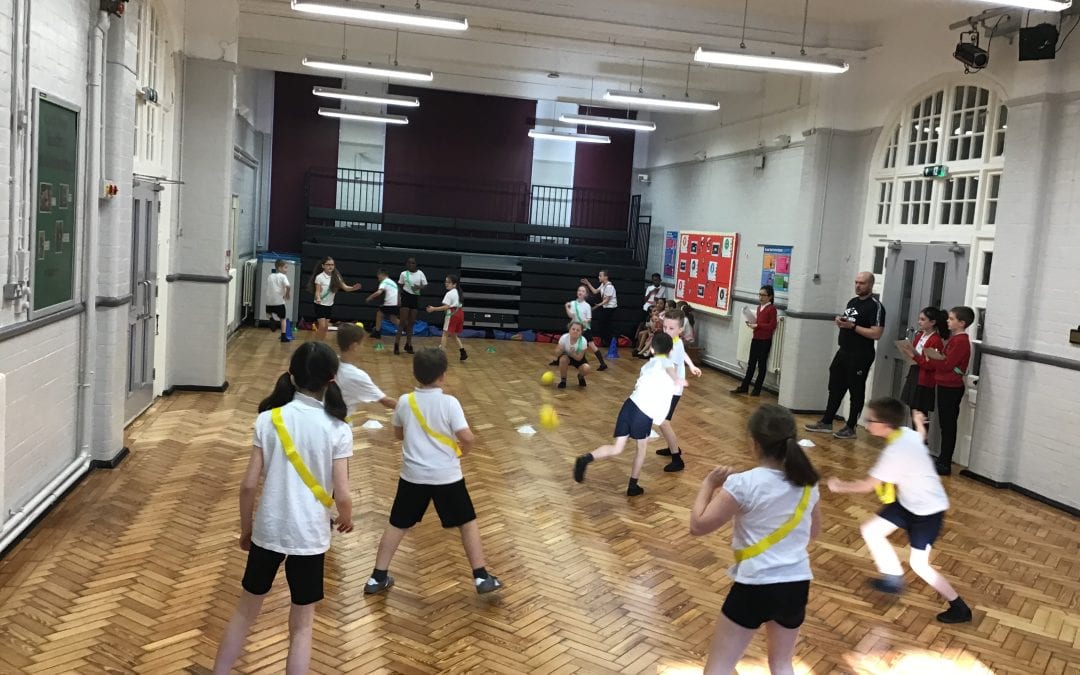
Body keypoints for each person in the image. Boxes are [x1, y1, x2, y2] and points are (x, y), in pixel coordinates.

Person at [212, 342, 354, 674]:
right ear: (331, 379)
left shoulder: (269, 419)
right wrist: (345, 518)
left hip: (268, 530)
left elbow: (248, 485)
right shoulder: (338, 428)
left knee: (245, 612)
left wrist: (248, 529)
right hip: (310, 536)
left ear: (291, 375)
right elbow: (343, 494)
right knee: (302, 625)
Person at [689, 404, 822, 675]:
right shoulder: (808, 482)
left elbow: (698, 526)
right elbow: (813, 533)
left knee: (719, 667)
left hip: (755, 584)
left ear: (754, 443)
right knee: (782, 664)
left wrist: (708, 484)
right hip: (796, 583)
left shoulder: (743, 483)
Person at [364, 348, 503, 595]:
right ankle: (481, 576)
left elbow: (398, 434)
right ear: (443, 375)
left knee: (397, 524)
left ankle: (377, 577)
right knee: (467, 523)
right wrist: (461, 453)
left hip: (412, 476)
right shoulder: (450, 403)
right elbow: (467, 438)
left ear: (415, 374)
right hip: (446, 477)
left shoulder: (405, 401)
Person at [827, 398, 972, 623]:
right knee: (871, 530)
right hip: (907, 502)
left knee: (919, 565)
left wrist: (839, 486)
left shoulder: (895, 452)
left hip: (928, 511)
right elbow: (920, 437)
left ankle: (960, 607)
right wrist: (919, 423)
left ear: (885, 424)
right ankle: (893, 577)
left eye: (870, 419)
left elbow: (868, 485)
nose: (867, 422)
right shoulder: (904, 433)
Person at [573, 332, 686, 497]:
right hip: (643, 413)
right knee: (641, 450)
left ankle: (586, 458)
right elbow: (668, 370)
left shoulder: (646, 366)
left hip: (629, 405)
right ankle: (633, 486)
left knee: (617, 448)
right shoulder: (668, 364)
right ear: (670, 352)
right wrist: (677, 379)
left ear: (652, 350)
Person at [804, 272, 886, 439]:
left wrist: (852, 327)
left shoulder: (875, 306)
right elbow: (848, 322)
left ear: (870, 285)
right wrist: (841, 322)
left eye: (862, 283)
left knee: (855, 390)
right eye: (856, 282)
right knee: (835, 386)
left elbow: (876, 333)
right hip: (844, 351)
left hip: (861, 354)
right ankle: (827, 421)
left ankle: (850, 427)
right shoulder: (852, 302)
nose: (857, 286)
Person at [922, 306, 974, 476]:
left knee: (948, 425)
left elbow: (947, 364)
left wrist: (932, 358)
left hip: (951, 386)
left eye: (951, 319)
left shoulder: (961, 341)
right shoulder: (954, 340)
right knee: (945, 423)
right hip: (945, 384)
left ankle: (944, 462)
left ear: (962, 323)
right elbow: (945, 360)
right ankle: (942, 460)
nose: (948, 321)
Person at [652, 309, 702, 473]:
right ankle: (671, 447)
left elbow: (671, 368)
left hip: (671, 390)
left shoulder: (675, 345)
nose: (667, 331)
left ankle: (677, 458)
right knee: (662, 421)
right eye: (665, 327)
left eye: (671, 328)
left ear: (680, 330)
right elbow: (684, 354)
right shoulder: (675, 342)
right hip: (670, 388)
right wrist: (692, 365)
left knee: (664, 422)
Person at [898, 307, 948, 431]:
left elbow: (931, 365)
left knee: (920, 415)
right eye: (919, 319)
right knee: (913, 411)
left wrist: (914, 356)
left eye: (923, 319)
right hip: (915, 373)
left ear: (932, 322)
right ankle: (915, 442)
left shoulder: (935, 340)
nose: (919, 322)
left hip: (924, 379)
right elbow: (915, 353)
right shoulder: (920, 335)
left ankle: (921, 443)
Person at [335, 323, 397, 413]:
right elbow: (385, 401)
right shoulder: (357, 375)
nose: (363, 347)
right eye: (362, 344)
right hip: (339, 422)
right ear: (355, 346)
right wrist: (409, 407)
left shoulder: (330, 363)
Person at [732, 285, 778, 396]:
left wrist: (757, 325)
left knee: (761, 365)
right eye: (760, 294)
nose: (761, 297)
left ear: (770, 296)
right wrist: (752, 323)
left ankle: (757, 389)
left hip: (765, 340)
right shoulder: (759, 307)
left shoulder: (772, 309)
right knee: (751, 364)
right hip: (756, 338)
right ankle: (744, 386)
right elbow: (760, 323)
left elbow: (772, 325)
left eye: (763, 295)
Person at [311, 257, 361, 342]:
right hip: (320, 304)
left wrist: (353, 288)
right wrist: (318, 298)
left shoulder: (336, 276)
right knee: (322, 326)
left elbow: (345, 287)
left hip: (329, 305)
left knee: (326, 327)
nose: (331, 267)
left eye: (332, 265)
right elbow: (317, 291)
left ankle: (321, 343)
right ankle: (316, 344)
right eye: (328, 265)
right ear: (323, 266)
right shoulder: (319, 277)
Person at [561, 285, 607, 370]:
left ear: (586, 294)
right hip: (575, 330)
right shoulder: (573, 303)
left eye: (583, 291)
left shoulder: (587, 306)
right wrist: (567, 308)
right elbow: (571, 315)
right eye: (579, 290)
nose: (580, 292)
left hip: (585, 330)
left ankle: (603, 364)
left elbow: (589, 319)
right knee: (567, 344)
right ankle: (562, 360)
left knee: (592, 346)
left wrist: (585, 322)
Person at [426, 275, 467, 362]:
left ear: (454, 284)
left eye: (448, 282)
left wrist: (433, 309)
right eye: (446, 282)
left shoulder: (449, 293)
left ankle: (441, 355)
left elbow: (446, 307)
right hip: (460, 313)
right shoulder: (458, 292)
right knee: (454, 335)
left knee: (445, 334)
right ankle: (462, 351)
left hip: (452, 314)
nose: (446, 284)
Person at [366, 268, 403, 354]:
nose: (378, 278)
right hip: (396, 304)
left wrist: (369, 298)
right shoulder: (392, 282)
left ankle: (377, 332)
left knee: (379, 314)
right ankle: (404, 327)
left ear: (382, 275)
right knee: (393, 318)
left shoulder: (385, 282)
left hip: (390, 303)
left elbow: (379, 292)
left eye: (378, 276)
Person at [581, 270, 618, 353]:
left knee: (604, 324)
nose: (599, 277)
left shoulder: (609, 287)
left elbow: (607, 300)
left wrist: (597, 306)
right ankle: (607, 341)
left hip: (610, 308)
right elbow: (595, 291)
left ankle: (610, 341)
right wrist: (588, 283)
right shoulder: (603, 285)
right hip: (605, 307)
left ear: (606, 277)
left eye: (600, 275)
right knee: (603, 324)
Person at [397, 257, 427, 354]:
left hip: (415, 298)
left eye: (413, 263)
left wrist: (420, 287)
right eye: (409, 263)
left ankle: (408, 345)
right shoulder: (403, 274)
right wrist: (399, 298)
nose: (411, 265)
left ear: (416, 264)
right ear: (406, 265)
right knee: (402, 322)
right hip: (406, 297)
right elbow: (400, 287)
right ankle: (396, 345)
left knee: (411, 323)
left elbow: (425, 285)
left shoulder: (420, 273)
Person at [551, 320, 593, 388]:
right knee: (563, 359)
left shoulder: (583, 341)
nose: (575, 331)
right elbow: (556, 353)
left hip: (577, 358)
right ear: (569, 330)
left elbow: (579, 358)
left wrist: (572, 353)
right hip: (567, 356)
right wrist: (560, 350)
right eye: (573, 329)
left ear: (581, 332)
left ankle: (580, 376)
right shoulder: (564, 338)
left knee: (586, 368)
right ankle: (563, 380)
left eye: (578, 330)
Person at [265, 259, 292, 342]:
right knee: (283, 319)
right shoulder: (283, 276)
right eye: (285, 267)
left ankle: (271, 320)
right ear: (279, 268)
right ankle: (283, 336)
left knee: (268, 313)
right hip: (279, 302)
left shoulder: (270, 276)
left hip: (269, 301)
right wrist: (287, 293)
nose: (287, 270)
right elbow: (288, 286)